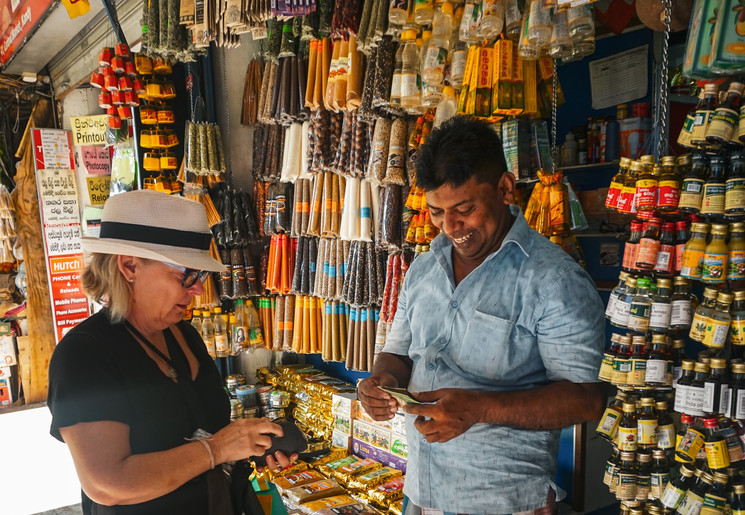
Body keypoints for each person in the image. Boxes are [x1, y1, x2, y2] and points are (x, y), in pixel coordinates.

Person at [357, 117, 606, 515]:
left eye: (465, 209)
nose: (450, 227)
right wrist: (383, 382)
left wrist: (478, 409)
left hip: (504, 501)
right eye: (437, 212)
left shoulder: (553, 279)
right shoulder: (423, 269)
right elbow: (399, 353)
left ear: (505, 189)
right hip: (422, 491)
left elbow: (587, 400)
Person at [47, 190, 292, 514]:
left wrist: (250, 446)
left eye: (201, 275)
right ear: (130, 266)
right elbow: (107, 483)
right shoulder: (84, 356)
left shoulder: (183, 335)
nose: (199, 289)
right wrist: (218, 449)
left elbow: (198, 432)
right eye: (187, 275)